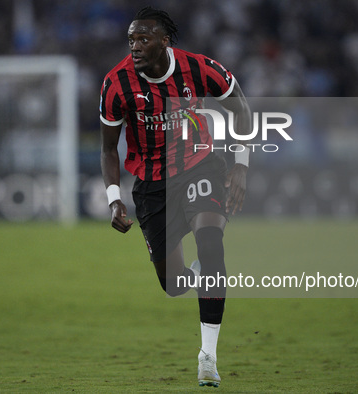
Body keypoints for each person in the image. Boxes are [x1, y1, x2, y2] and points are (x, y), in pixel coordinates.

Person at [100, 6, 251, 387]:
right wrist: (114, 198)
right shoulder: (116, 83)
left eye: (144, 38)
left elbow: (241, 108)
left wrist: (241, 165)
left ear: (165, 42)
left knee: (210, 242)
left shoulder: (199, 68)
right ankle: (197, 274)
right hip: (151, 185)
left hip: (200, 167)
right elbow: (107, 149)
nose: (135, 46)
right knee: (172, 284)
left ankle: (208, 358)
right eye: (131, 39)